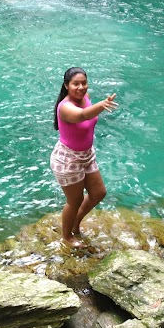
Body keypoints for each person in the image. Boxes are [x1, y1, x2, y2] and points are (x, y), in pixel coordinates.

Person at [50, 67, 118, 247]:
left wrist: (99, 105)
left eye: (84, 83)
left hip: (86, 155)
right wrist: (101, 105)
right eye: (76, 84)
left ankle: (75, 224)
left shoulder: (85, 98)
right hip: (68, 160)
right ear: (66, 85)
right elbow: (82, 115)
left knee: (99, 193)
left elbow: (87, 113)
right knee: (75, 201)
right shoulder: (65, 107)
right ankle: (66, 237)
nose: (81, 87)